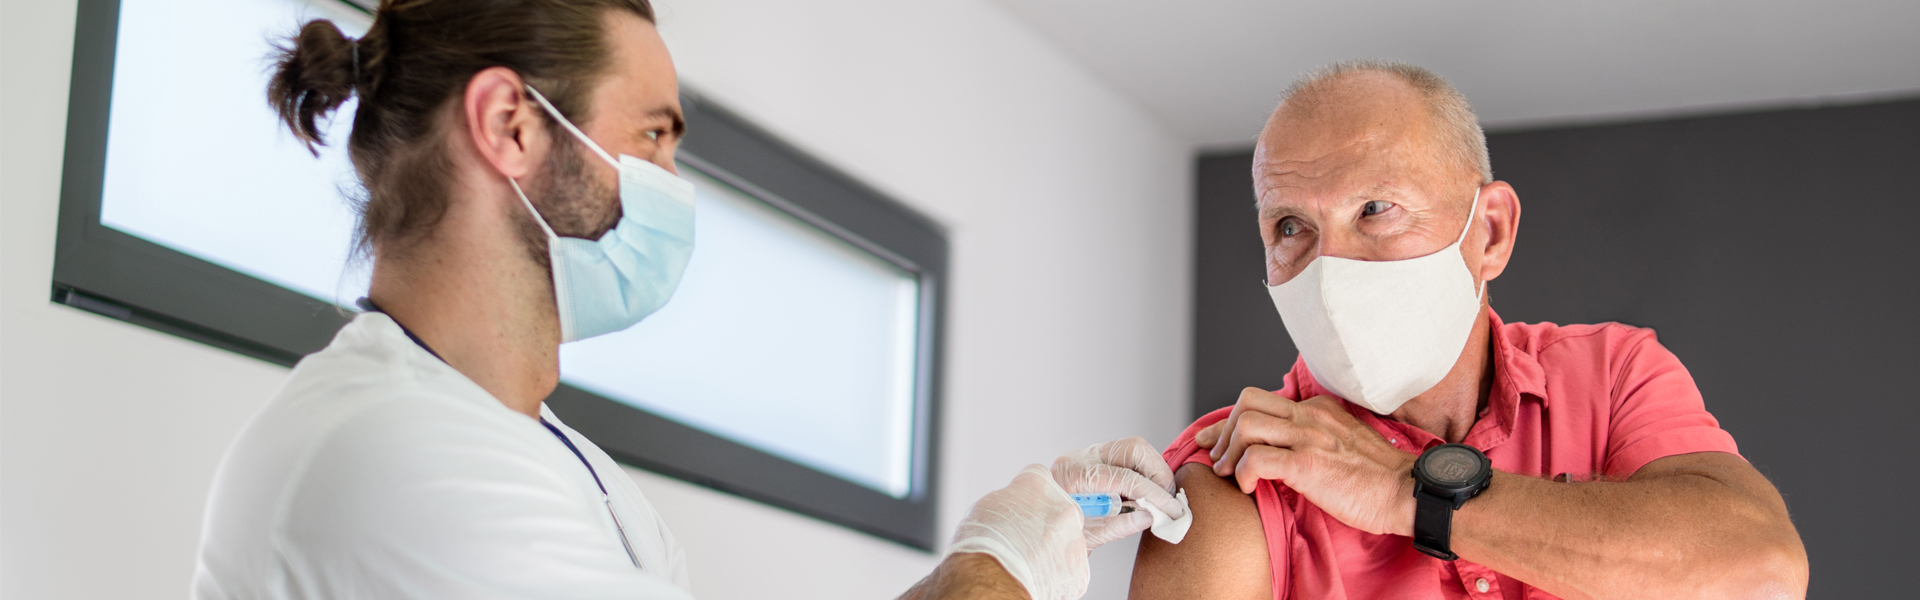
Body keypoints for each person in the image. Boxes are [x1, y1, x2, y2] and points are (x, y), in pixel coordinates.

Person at [190, 2, 1183, 599]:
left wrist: (997, 544)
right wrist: (999, 567)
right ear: (510, 126)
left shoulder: (536, 454)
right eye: (656, 136)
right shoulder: (398, 457)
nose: (674, 179)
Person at [1128, 60, 1809, 600]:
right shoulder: (1242, 478)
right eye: (1289, 227)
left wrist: (1406, 490)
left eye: (1375, 208)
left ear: (1489, 232)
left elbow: (1759, 575)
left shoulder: (1609, 378)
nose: (1328, 270)